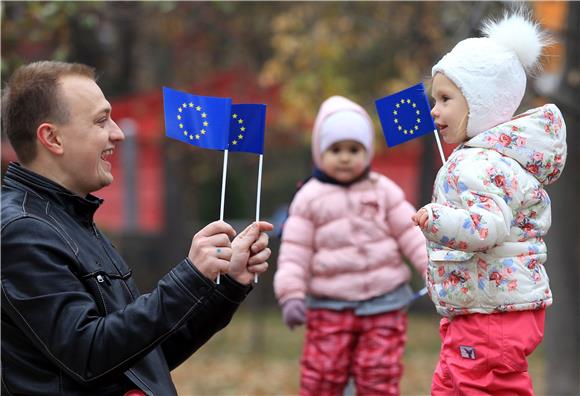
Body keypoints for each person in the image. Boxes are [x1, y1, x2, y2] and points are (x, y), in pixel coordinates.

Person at [1, 60, 273, 396]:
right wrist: (190, 276)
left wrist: (224, 284)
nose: (117, 132)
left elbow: (142, 360)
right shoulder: (21, 233)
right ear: (52, 138)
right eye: (101, 121)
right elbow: (89, 356)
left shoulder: (72, 219)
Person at [411, 12, 567, 395]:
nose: (434, 110)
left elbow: (487, 227)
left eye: (446, 98)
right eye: (435, 99)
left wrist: (436, 219)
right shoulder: (485, 158)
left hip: (492, 312)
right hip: (481, 306)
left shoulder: (480, 163)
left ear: (481, 103)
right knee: (451, 383)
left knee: (475, 384)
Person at [274, 95, 428, 395]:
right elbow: (295, 252)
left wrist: (432, 271)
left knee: (379, 375)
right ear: (320, 153)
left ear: (367, 152)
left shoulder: (383, 189)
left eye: (354, 150)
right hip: (330, 304)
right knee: (323, 376)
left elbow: (411, 235)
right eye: (336, 150)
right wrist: (291, 294)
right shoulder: (309, 197)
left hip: (385, 302)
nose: (345, 158)